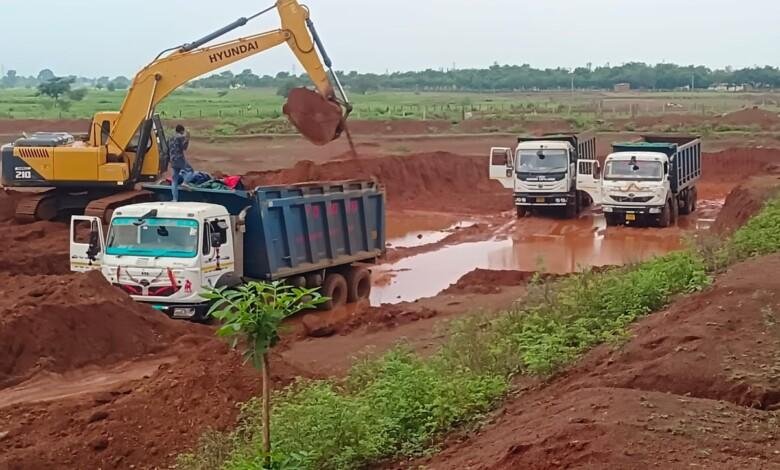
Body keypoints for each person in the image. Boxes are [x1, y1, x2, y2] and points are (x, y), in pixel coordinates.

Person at [168, 124, 193, 201]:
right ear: (182, 131)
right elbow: (184, 147)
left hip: (172, 159)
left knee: (174, 179)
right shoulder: (181, 137)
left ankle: (174, 199)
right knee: (190, 171)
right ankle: (185, 183)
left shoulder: (170, 137)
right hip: (179, 158)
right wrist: (187, 137)